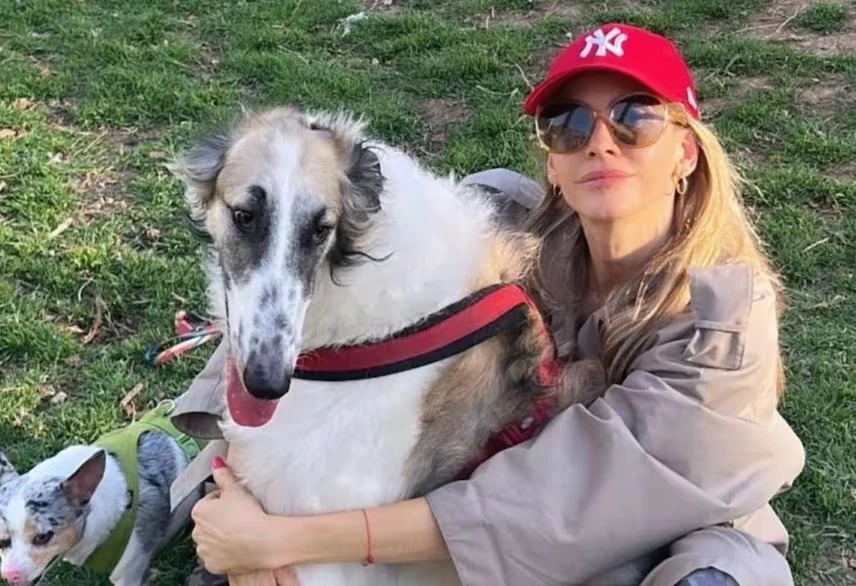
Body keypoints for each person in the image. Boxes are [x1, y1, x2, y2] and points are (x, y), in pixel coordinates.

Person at [171, 22, 806, 586]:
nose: (600, 142)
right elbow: (306, 303)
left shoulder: (721, 330)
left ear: (686, 152)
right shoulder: (507, 228)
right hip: (502, 506)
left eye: (635, 118)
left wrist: (279, 541)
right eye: (569, 125)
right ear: (552, 162)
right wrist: (230, 465)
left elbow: (552, 504)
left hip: (661, 529)